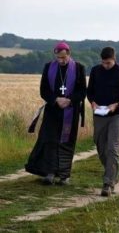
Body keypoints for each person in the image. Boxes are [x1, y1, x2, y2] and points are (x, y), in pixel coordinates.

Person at [25, 42, 87, 185]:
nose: (61, 60)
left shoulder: (79, 68)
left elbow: (83, 91)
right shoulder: (48, 68)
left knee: (66, 142)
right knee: (50, 141)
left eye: (64, 57)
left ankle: (64, 175)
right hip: (53, 110)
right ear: (55, 56)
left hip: (70, 112)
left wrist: (69, 100)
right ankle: (50, 173)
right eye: (59, 58)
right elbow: (44, 90)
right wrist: (55, 99)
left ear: (69, 54)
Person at [87, 47, 119, 197]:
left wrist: (118, 104)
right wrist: (92, 103)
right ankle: (112, 172)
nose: (105, 66)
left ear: (114, 59)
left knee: (113, 148)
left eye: (108, 63)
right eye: (103, 63)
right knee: (100, 146)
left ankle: (108, 183)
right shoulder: (95, 71)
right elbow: (89, 91)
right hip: (99, 114)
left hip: (117, 115)